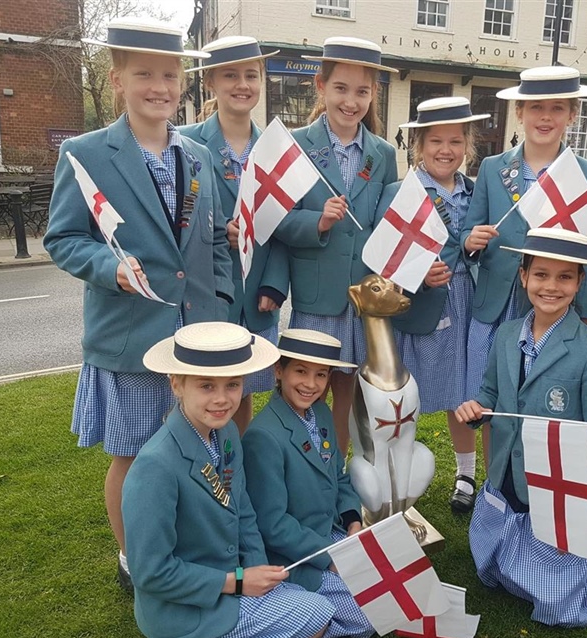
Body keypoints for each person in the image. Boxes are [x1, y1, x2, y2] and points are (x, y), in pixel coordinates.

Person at [43, 17, 233, 592]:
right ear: (117, 77)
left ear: (183, 83)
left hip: (194, 339)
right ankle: (133, 558)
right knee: (134, 456)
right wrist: (109, 267)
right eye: (144, 74)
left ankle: (185, 547)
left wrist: (220, 311)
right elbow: (64, 238)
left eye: (170, 75)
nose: (160, 86)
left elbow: (215, 241)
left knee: (192, 452)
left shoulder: (198, 156)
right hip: (130, 339)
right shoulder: (86, 154)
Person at [123, 323, 335, 638]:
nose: (222, 399)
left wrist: (254, 573)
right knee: (318, 615)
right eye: (206, 386)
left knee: (315, 612)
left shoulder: (227, 433)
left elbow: (245, 513)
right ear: (177, 383)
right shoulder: (155, 466)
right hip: (185, 607)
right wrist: (236, 582)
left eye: (232, 384)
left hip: (233, 580)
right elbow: (150, 573)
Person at [455, 228, 587, 627]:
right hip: (507, 476)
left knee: (556, 605)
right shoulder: (507, 334)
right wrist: (478, 408)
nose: (551, 286)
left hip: (557, 488)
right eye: (541, 274)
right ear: (523, 276)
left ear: (580, 282)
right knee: (491, 573)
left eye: (565, 277)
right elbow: (491, 391)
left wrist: (583, 505)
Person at [274, 37, 398, 455]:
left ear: (373, 95)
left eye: (362, 91)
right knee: (307, 389)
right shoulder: (294, 146)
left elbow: (387, 224)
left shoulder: (383, 153)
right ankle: (306, 469)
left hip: (362, 296)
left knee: (350, 390)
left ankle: (340, 476)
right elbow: (277, 220)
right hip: (316, 297)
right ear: (320, 86)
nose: (351, 101)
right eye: (341, 88)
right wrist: (319, 221)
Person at [460, 66, 587, 409]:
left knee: (536, 395)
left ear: (572, 114)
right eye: (536, 108)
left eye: (557, 108)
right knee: (488, 395)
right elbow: (469, 229)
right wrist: (471, 241)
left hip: (550, 303)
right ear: (519, 112)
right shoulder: (492, 167)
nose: (545, 117)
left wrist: (585, 313)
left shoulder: (585, 174)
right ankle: (494, 464)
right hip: (495, 303)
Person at [376, 97, 490, 513]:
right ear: (418, 146)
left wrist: (474, 251)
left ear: (467, 146)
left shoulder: (477, 191)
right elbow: (384, 257)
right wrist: (417, 276)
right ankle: (400, 474)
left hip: (469, 303)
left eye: (456, 141)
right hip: (420, 307)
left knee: (463, 393)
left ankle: (465, 473)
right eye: (436, 141)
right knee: (410, 396)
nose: (446, 150)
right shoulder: (400, 192)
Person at [179, 36, 289, 434]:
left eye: (250, 75)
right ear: (209, 81)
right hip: (207, 291)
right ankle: (199, 479)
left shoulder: (277, 148)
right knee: (203, 394)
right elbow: (178, 217)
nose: (242, 85)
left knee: (241, 394)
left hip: (258, 293)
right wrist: (214, 231)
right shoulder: (186, 142)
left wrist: (275, 285)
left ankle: (232, 470)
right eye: (230, 75)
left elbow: (283, 227)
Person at [242, 329, 375, 638]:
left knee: (391, 585)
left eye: (321, 375)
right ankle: (311, 619)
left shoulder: (321, 412)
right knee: (370, 618)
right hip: (298, 555)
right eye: (300, 371)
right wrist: (329, 559)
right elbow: (272, 524)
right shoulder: (263, 437)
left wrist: (353, 520)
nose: (311, 384)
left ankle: (324, 611)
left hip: (333, 532)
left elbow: (338, 475)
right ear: (279, 370)